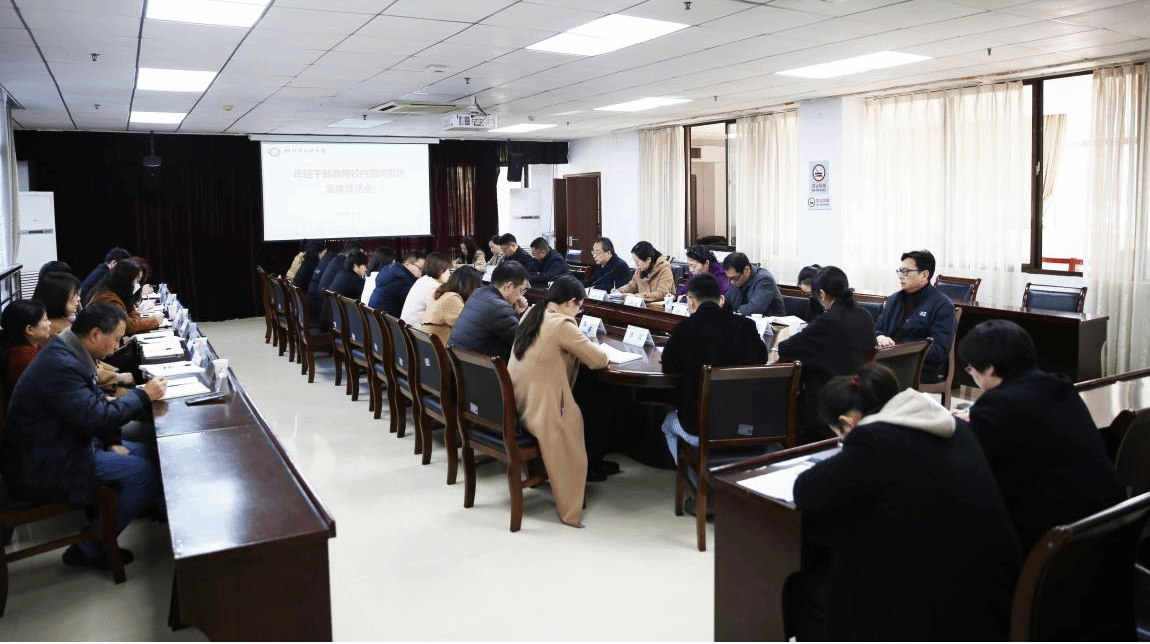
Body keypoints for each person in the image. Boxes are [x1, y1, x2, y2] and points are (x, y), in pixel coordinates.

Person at [788, 363, 1021, 641]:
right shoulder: (951, 426)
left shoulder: (875, 439)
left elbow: (806, 490)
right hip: (996, 594)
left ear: (849, 422)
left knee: (813, 583)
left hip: (940, 612)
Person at [1, 303, 169, 569]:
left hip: (65, 442)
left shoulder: (68, 349)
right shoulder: (61, 364)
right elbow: (97, 416)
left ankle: (162, 517)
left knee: (154, 452)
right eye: (116, 339)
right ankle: (88, 548)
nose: (117, 346)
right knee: (144, 472)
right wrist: (143, 395)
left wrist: (112, 441)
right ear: (94, 335)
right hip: (45, 462)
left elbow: (91, 406)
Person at [958, 320, 1125, 554]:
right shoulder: (1060, 386)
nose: (972, 375)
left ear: (990, 368)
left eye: (971, 369)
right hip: (1110, 526)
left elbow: (968, 462)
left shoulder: (998, 404)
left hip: (1056, 543)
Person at [660, 273, 767, 515]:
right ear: (721, 299)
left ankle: (703, 492)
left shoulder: (685, 329)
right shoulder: (746, 326)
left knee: (668, 424)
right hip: (748, 425)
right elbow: (762, 360)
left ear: (690, 301)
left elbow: (669, 366)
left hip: (701, 428)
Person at [508, 275, 610, 528]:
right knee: (577, 421)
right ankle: (570, 508)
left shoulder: (533, 313)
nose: (578, 312)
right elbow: (598, 360)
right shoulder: (561, 324)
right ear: (569, 302)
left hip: (518, 400)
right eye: (579, 307)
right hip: (539, 409)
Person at [776, 266, 875, 441]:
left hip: (830, 396)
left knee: (781, 399)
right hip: (863, 391)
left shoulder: (827, 322)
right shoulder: (864, 314)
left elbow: (785, 348)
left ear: (822, 294)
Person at [33, 271, 129, 395]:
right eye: (75, 294)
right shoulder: (54, 331)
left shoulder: (62, 321)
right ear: (58, 297)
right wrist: (119, 377)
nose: (78, 299)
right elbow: (84, 367)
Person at [874, 249, 956, 384]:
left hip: (919, 368)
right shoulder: (894, 299)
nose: (901, 276)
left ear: (924, 275)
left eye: (906, 271)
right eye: (900, 271)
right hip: (887, 361)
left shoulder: (942, 305)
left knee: (871, 378)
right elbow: (877, 329)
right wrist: (879, 337)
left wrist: (898, 349)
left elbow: (939, 351)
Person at [448, 261, 529, 362]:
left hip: (458, 363)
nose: (520, 295)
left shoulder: (477, 294)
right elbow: (523, 342)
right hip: (479, 368)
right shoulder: (500, 308)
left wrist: (515, 311)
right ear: (508, 286)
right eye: (521, 290)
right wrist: (522, 315)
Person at [88, 258, 163, 336]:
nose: (138, 285)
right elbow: (126, 326)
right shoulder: (107, 297)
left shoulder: (118, 294)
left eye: (139, 281)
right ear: (125, 279)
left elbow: (131, 318)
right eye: (136, 280)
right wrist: (154, 320)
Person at [0, 299, 53, 394]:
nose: (49, 323)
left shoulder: (27, 348)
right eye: (45, 320)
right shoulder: (25, 357)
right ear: (29, 330)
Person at [421, 266, 483, 345]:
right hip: (441, 349)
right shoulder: (452, 299)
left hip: (431, 347)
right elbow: (468, 329)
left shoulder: (443, 295)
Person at [721, 252, 784, 316]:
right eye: (729, 278)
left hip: (771, 320)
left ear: (746, 270)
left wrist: (734, 310)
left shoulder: (765, 280)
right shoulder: (737, 279)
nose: (732, 282)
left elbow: (754, 310)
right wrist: (721, 302)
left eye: (734, 278)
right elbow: (729, 301)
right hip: (746, 319)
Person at [368, 250, 426, 318]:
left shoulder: (391, 270)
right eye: (420, 268)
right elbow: (418, 304)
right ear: (408, 264)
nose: (421, 273)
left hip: (375, 319)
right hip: (386, 322)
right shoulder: (402, 280)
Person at [400, 251, 452, 324]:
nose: (449, 274)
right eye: (446, 270)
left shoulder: (423, 280)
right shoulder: (433, 286)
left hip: (408, 328)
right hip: (415, 329)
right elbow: (441, 313)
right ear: (438, 269)